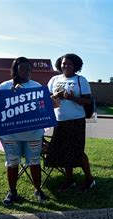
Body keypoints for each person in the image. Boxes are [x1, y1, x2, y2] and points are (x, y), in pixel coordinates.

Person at [0, 57, 47, 205]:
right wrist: (9, 96)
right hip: (11, 135)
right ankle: (12, 192)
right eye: (22, 68)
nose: (26, 71)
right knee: (12, 163)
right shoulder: (4, 86)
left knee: (35, 162)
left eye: (28, 68)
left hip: (33, 134)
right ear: (15, 69)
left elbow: (43, 108)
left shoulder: (36, 86)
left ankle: (38, 189)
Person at [47, 53, 95, 192]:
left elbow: (87, 101)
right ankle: (69, 180)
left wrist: (72, 97)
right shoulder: (54, 79)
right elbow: (48, 97)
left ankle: (89, 179)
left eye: (69, 64)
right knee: (64, 151)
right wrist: (54, 97)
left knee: (77, 151)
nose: (66, 66)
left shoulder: (81, 80)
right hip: (59, 121)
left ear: (75, 66)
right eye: (63, 63)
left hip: (76, 121)